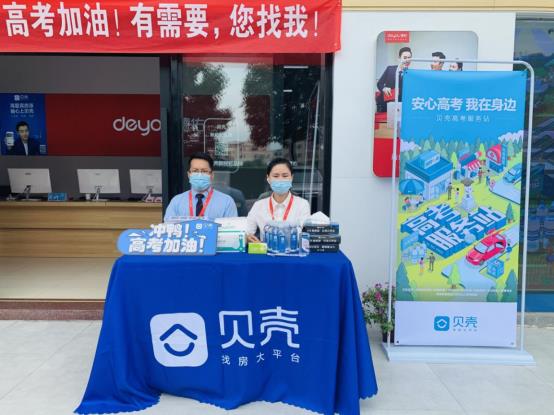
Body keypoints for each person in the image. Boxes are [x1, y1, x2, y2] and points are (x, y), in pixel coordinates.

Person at [246, 158, 311, 243]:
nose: (280, 179)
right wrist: (248, 238)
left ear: (291, 177)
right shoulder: (259, 205)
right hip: (265, 250)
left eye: (285, 176)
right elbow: (247, 231)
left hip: (292, 249)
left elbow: (302, 233)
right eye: (276, 176)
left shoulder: (302, 204)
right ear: (268, 178)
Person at [164, 152, 238, 221]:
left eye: (204, 171)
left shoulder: (226, 202)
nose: (199, 175)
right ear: (189, 174)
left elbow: (232, 229)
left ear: (212, 175)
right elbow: (168, 227)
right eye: (195, 171)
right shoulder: (176, 202)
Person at [376, 46, 412, 112]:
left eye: (409, 58)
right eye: (405, 58)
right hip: (385, 106)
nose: (407, 60)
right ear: (399, 58)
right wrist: (384, 88)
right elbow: (379, 83)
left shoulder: (411, 74)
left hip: (401, 107)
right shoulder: (390, 69)